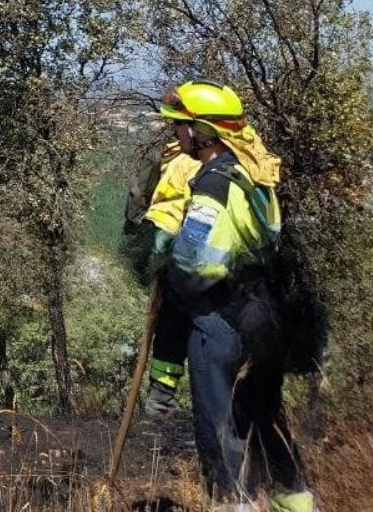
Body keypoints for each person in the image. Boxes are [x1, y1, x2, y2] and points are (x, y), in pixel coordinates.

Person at [149, 79, 315, 512]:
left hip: (219, 324)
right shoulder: (255, 176)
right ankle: (297, 504)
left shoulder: (212, 188)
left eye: (181, 126)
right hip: (264, 321)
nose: (176, 134)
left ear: (203, 131)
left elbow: (196, 269)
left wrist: (165, 262)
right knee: (266, 424)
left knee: (220, 439)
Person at [123, 133, 201, 417]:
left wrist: (139, 229)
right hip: (204, 254)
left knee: (171, 321)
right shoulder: (230, 157)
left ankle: (160, 398)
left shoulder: (166, 153)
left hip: (169, 245)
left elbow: (137, 198)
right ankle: (167, 398)